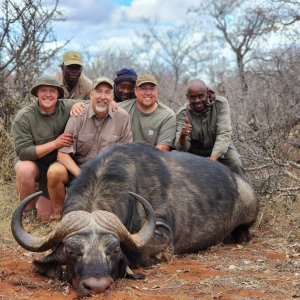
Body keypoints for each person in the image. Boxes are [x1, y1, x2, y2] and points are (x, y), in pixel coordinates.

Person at [47, 76, 133, 219]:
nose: (102, 97)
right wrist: (82, 175)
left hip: (107, 173)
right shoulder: (78, 114)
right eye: (98, 91)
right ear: (91, 94)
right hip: (78, 171)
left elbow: (126, 157)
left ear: (113, 96)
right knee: (55, 171)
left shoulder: (123, 117)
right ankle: (58, 215)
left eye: (107, 92)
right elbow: (62, 154)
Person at [13, 75, 85, 222]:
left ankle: (54, 207)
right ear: (37, 94)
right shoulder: (24, 117)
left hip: (57, 167)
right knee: (23, 168)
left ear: (58, 94)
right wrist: (55, 144)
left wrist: (81, 105)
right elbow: (23, 152)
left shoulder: (68, 105)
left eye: (52, 91)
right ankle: (27, 214)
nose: (47, 94)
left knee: (46, 219)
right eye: (43, 90)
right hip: (37, 165)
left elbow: (97, 103)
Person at [175, 79, 245, 177]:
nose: (197, 101)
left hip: (220, 146)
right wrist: (183, 136)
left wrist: (212, 161)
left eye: (200, 96)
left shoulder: (220, 104)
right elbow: (181, 149)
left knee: (235, 163)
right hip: (196, 151)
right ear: (187, 97)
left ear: (207, 93)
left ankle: (240, 190)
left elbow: (224, 133)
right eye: (193, 98)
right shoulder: (182, 114)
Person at [119, 74, 176, 151]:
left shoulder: (168, 116)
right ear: (135, 91)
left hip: (153, 161)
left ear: (157, 91)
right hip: (122, 158)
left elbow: (162, 150)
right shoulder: (120, 108)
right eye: (143, 88)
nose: (148, 93)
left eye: (152, 89)